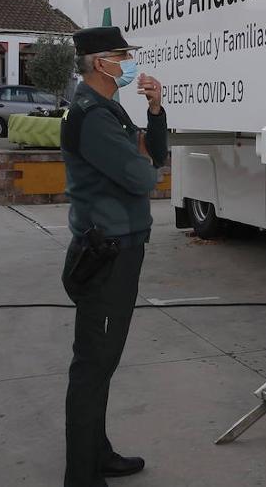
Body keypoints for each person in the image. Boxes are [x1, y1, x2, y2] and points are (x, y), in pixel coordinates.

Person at [60, 26, 167, 487]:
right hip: (108, 252)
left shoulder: (107, 107)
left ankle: (96, 454)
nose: (128, 63)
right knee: (94, 365)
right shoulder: (93, 114)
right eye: (122, 55)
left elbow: (153, 156)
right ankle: (81, 476)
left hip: (119, 245)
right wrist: (142, 159)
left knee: (102, 362)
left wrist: (156, 109)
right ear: (100, 62)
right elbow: (144, 178)